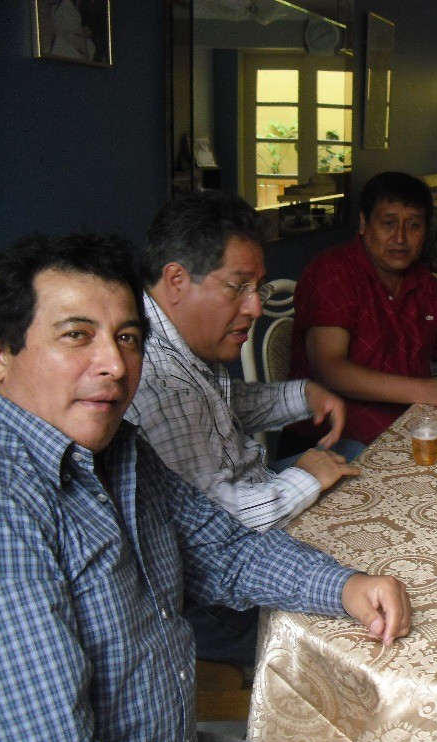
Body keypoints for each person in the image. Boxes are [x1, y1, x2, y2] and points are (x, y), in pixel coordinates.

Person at [0, 232, 411, 742]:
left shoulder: (122, 450)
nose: (116, 365)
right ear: (3, 356)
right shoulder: (10, 508)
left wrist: (347, 585)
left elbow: (225, 551)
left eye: (127, 337)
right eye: (77, 335)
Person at [127, 190, 359, 666]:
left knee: (356, 459)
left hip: (248, 495)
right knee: (353, 580)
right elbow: (224, 529)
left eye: (260, 288)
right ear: (176, 279)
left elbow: (220, 407)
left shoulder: (183, 346)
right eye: (238, 286)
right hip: (205, 595)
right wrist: (306, 477)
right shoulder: (155, 379)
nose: (255, 307)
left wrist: (303, 395)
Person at [282, 171, 437, 456]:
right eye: (388, 223)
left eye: (414, 225)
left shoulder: (423, 282)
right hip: (336, 442)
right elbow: (329, 370)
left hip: (408, 426)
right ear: (363, 223)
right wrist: (429, 390)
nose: (400, 238)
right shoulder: (333, 272)